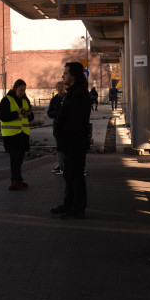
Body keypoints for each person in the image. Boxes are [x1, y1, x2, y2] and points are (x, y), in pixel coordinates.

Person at [52, 62, 91, 218]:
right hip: (69, 142)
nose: (63, 76)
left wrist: (61, 131)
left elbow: (75, 121)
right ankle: (68, 203)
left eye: (65, 74)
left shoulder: (79, 94)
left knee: (75, 176)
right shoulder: (73, 92)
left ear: (73, 75)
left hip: (74, 142)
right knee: (69, 175)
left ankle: (77, 208)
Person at [0, 79, 34, 191]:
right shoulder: (6, 100)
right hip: (11, 135)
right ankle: (14, 182)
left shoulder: (25, 100)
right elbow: (3, 117)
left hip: (23, 134)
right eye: (20, 90)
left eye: (24, 90)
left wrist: (29, 114)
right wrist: (17, 113)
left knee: (19, 159)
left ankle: (18, 179)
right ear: (15, 89)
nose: (22, 92)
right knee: (15, 159)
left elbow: (31, 118)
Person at [47, 81, 67, 176]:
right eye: (58, 87)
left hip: (68, 126)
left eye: (62, 87)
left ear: (65, 87)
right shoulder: (54, 100)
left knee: (67, 146)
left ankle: (67, 164)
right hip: (58, 127)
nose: (60, 89)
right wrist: (57, 113)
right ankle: (60, 164)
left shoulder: (69, 98)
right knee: (59, 146)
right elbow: (49, 113)